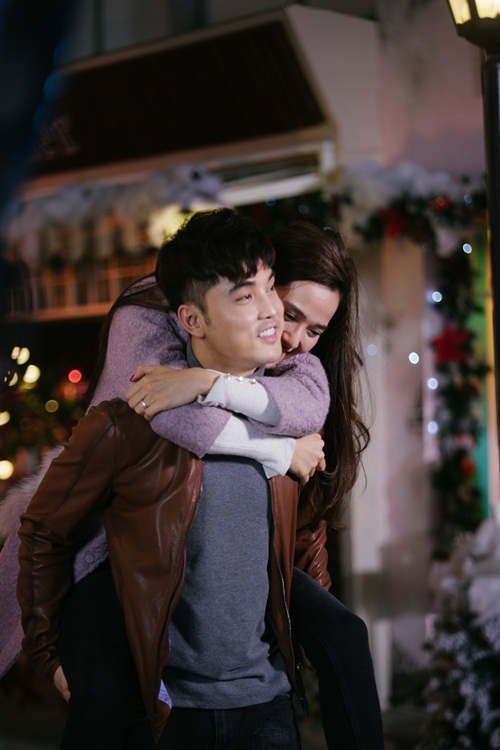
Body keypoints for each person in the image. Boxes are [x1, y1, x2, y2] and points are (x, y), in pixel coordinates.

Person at [17, 208, 328, 749]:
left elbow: (304, 539)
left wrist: (309, 642)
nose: (272, 310)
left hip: (266, 708)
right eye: (244, 296)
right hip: (162, 712)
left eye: (270, 285)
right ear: (192, 320)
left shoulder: (289, 421)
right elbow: (44, 530)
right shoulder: (126, 424)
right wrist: (50, 656)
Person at [122, 220, 384, 749]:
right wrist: (278, 448)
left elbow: (304, 520)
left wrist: (311, 613)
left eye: (315, 330)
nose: (294, 339)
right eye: (290, 313)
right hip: (139, 557)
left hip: (260, 577)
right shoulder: (157, 327)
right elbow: (169, 416)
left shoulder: (299, 378)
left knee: (345, 634)